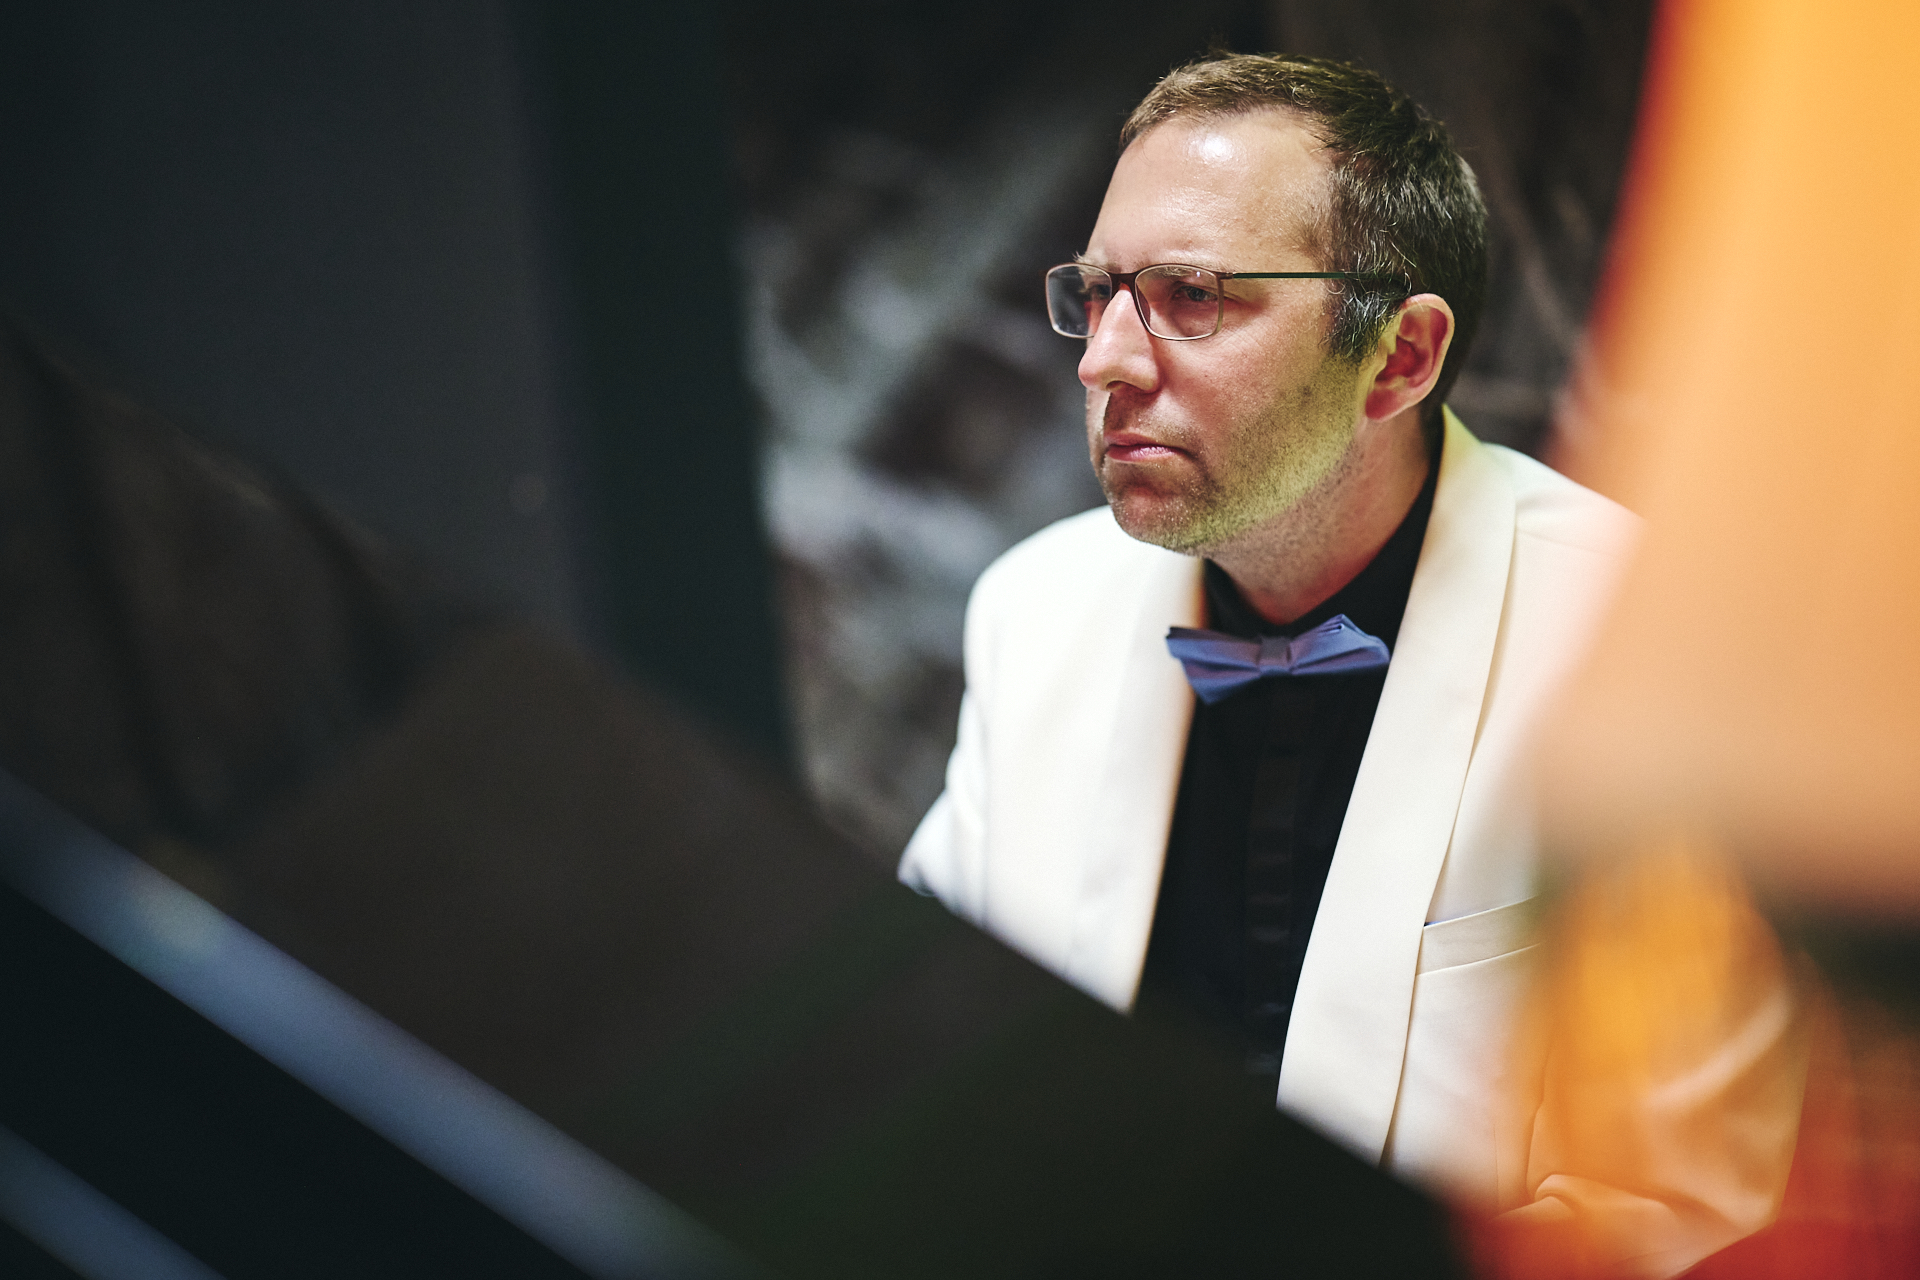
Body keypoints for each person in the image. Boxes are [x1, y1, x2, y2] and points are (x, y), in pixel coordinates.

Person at [900, 53, 1642, 1213]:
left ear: (1399, 357)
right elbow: (927, 1060)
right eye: (1098, 293)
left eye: (1193, 295)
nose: (1102, 359)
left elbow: (1680, 1201)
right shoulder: (1034, 609)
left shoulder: (1638, 644)